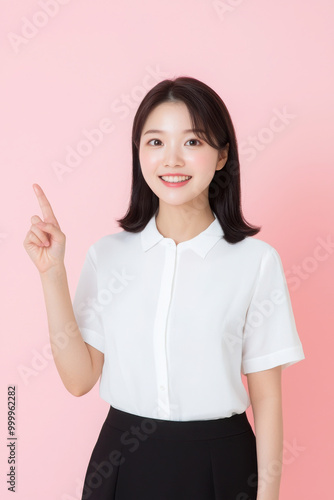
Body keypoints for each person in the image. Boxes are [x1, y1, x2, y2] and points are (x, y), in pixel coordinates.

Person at [23, 76, 305, 500]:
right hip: (122, 463)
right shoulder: (108, 256)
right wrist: (52, 274)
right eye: (155, 143)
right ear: (138, 154)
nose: (171, 160)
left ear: (222, 153)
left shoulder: (255, 262)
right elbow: (80, 379)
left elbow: (266, 401)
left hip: (222, 465)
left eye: (192, 143)